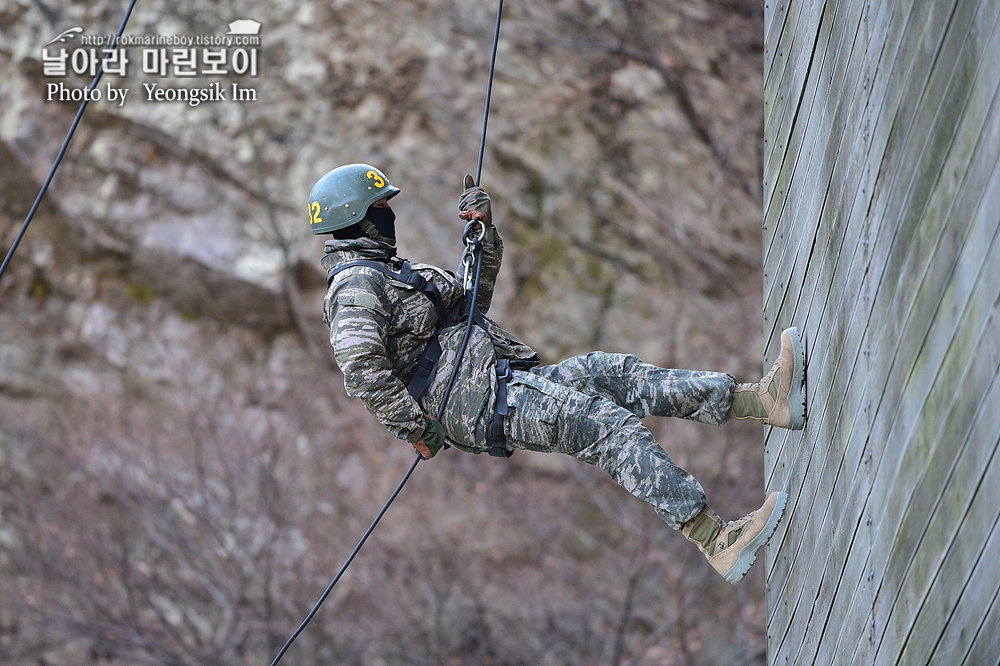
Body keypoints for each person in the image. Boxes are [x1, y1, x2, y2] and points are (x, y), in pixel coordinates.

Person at [311, 163, 805, 584]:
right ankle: (716, 539)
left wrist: (483, 236)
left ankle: (761, 402)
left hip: (499, 379)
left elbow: (470, 307)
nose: (389, 213)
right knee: (608, 428)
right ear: (358, 219)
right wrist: (416, 429)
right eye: (380, 208)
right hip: (481, 402)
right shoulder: (355, 285)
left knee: (608, 373)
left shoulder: (389, 273)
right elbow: (362, 370)